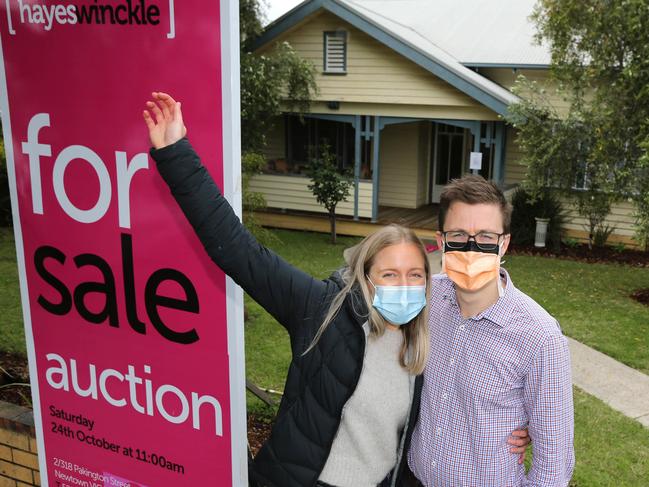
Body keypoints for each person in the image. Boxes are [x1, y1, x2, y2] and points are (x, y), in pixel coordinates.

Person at [142, 92, 529, 487]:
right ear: (365, 275)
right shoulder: (320, 310)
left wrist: (518, 424)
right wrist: (176, 153)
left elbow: (463, 394)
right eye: (390, 274)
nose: (405, 285)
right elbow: (241, 252)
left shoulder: (428, 338)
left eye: (415, 275)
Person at [406, 175, 575, 486]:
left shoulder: (540, 338)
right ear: (441, 241)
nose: (472, 248)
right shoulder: (426, 298)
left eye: (485, 237)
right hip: (414, 478)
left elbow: (554, 463)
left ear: (504, 243)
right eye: (458, 235)